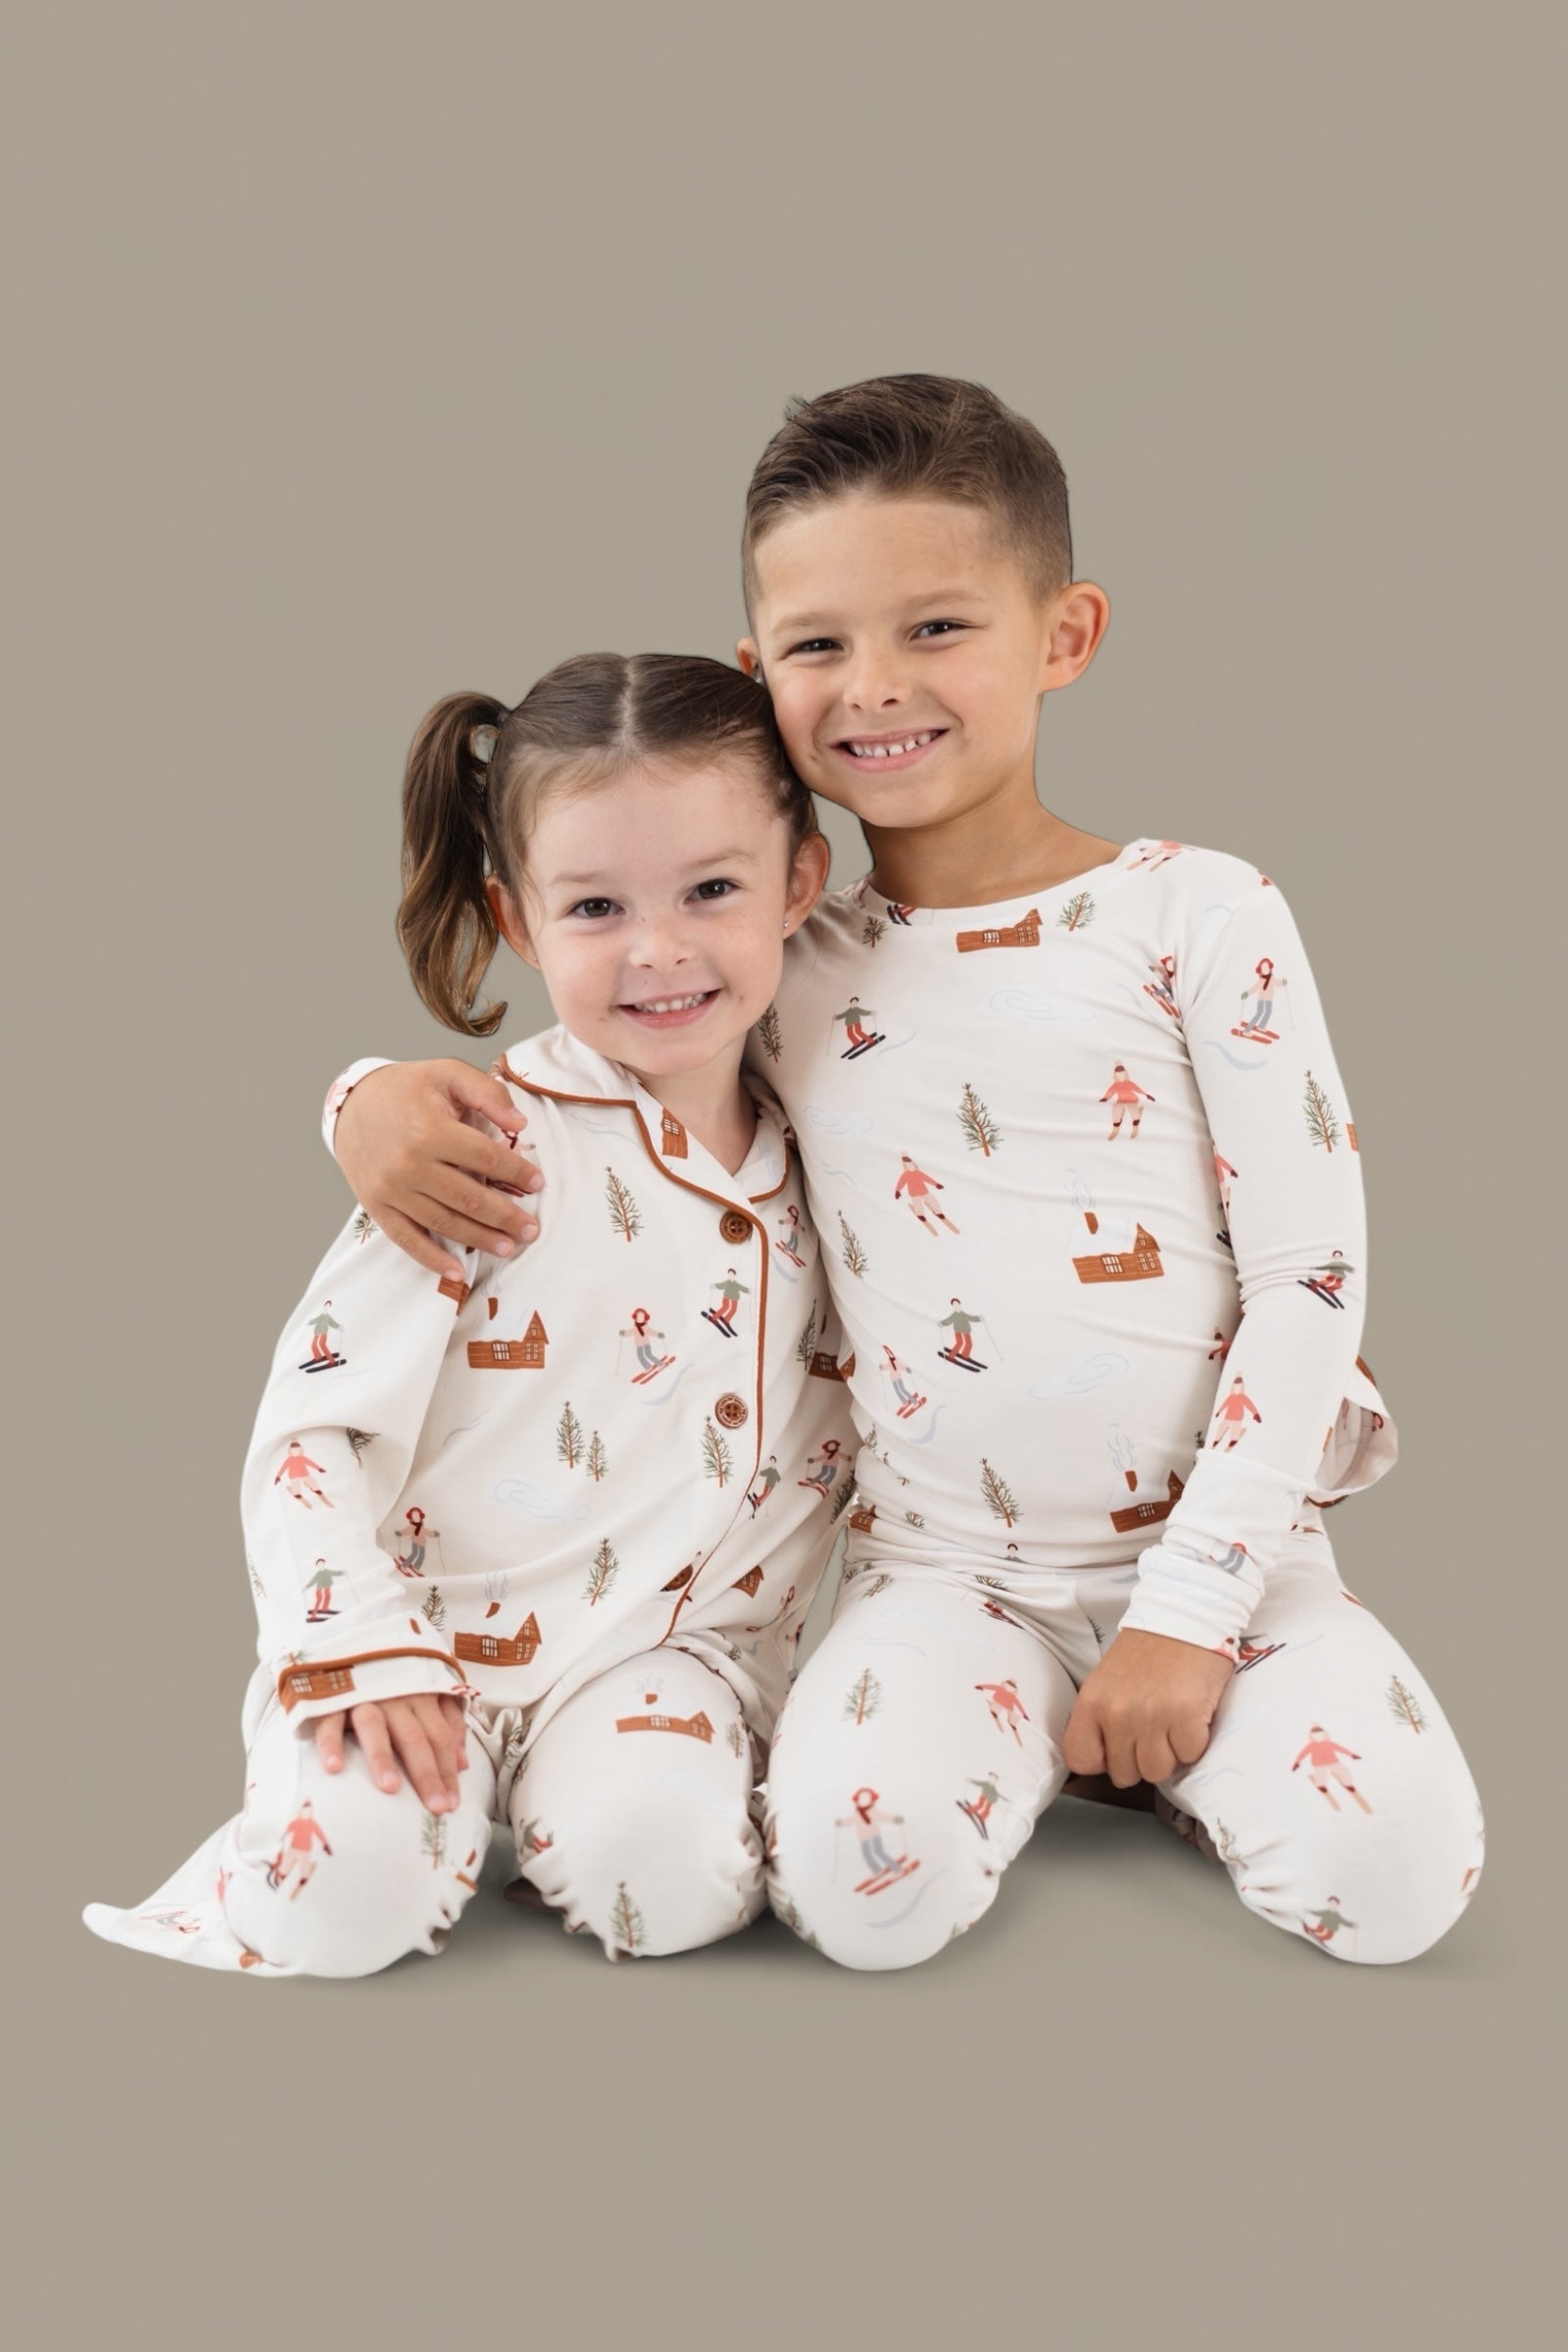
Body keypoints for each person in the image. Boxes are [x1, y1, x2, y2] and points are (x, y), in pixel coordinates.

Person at [318, 375, 1485, 1970]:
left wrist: (1192, 1616)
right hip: (943, 1576)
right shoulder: (772, 960)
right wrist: (361, 1100)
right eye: (818, 645)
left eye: (936, 628)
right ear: (759, 674)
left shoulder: (1199, 916)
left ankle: (1169, 1742)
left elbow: (1311, 1280)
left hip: (1234, 1558)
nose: (875, 686)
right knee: (863, 1902)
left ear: (1065, 635)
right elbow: (582, 1065)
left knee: (1397, 1884)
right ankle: (1032, 1737)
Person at [83, 653, 853, 1977]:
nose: (659, 949)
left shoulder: (844, 1143)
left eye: (711, 890)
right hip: (416, 1646)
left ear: (800, 881)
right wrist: (357, 1642)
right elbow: (312, 1432)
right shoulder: (479, 1148)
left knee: (666, 1889)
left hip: (665, 1665)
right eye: (596, 906)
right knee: (341, 1909)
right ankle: (352, 1826)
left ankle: (583, 1810)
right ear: (516, 917)